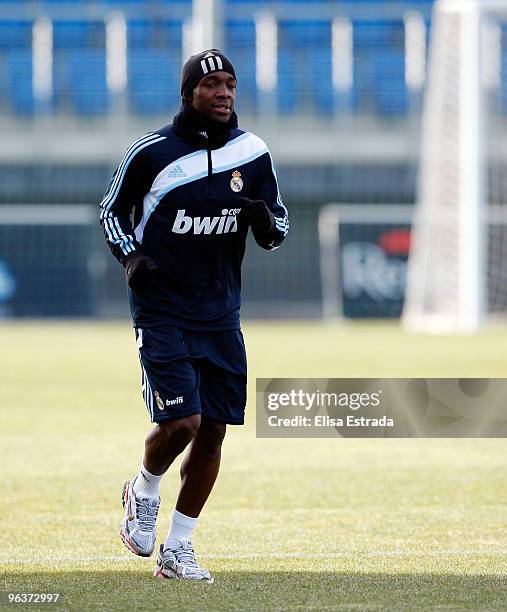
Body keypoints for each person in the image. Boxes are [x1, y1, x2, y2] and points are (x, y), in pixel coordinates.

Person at [99, 49, 289, 583]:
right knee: (182, 421)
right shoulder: (152, 151)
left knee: (214, 434)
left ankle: (178, 549)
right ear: (189, 94)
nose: (224, 93)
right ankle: (144, 487)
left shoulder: (253, 153)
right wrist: (130, 254)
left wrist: (263, 222)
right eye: (212, 85)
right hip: (161, 309)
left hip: (222, 314)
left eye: (230, 83)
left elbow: (279, 228)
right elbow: (111, 210)